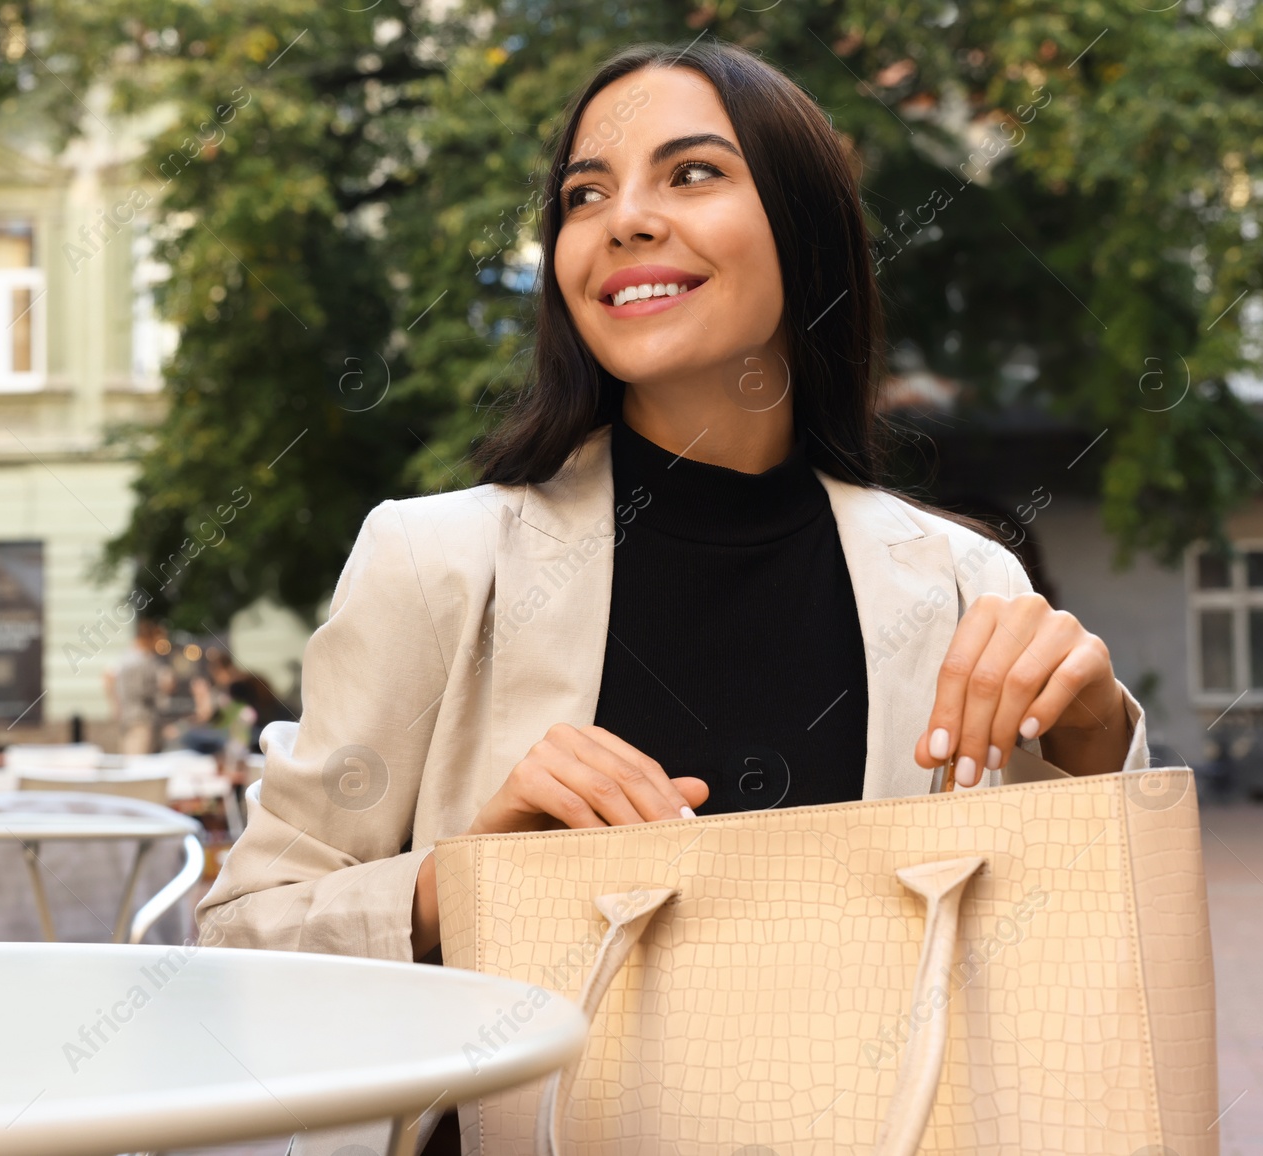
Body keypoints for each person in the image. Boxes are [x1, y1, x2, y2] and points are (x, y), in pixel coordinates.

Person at [196, 40, 1149, 1154]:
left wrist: (1095, 735)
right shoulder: (436, 563)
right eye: (582, 195)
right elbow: (237, 951)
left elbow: (1084, 951)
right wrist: (459, 885)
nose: (623, 219)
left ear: (803, 231)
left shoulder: (957, 580)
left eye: (691, 173)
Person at [103, 617, 164, 755]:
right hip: (141, 719)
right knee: (137, 765)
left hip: (128, 718)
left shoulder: (126, 657)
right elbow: (146, 692)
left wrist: (116, 706)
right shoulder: (142, 660)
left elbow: (107, 678)